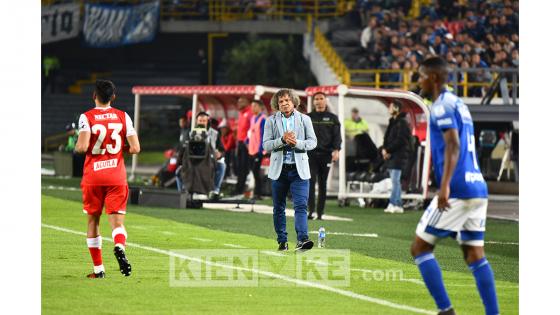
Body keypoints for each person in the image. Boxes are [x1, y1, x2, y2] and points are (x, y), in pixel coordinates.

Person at [410, 57, 498, 315]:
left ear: (433, 78)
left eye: (421, 76)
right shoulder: (459, 104)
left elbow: (453, 144)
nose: (419, 81)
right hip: (477, 187)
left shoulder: (440, 106)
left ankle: (445, 311)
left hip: (458, 189)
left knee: (420, 247)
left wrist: (444, 186)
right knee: (474, 254)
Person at [74, 80, 141, 278]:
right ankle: (119, 245)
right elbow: (136, 148)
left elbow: (82, 147)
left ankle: (98, 270)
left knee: (93, 221)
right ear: (113, 97)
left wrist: (79, 144)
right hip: (116, 176)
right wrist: (119, 148)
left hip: (94, 176)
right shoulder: (123, 116)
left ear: (94, 95)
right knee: (117, 223)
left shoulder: (87, 117)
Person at [263, 89, 317, 252]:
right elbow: (266, 145)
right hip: (279, 171)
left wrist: (296, 143)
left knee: (301, 205)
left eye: (287, 100)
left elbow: (312, 142)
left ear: (293, 102)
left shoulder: (305, 119)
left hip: (299, 171)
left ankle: (303, 239)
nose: (284, 103)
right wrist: (281, 140)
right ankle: (282, 241)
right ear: (277, 105)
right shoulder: (270, 121)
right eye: (281, 101)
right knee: (278, 207)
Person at [307, 92, 341, 220]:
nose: (318, 101)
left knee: (323, 183)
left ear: (325, 101)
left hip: (326, 155)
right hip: (311, 154)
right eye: (316, 99)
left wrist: (337, 150)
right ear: (313, 101)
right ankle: (311, 211)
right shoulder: (308, 117)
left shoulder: (333, 118)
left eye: (321, 99)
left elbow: (337, 136)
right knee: (310, 182)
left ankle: (320, 213)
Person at [179, 112, 226, 199]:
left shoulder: (215, 133)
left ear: (207, 121)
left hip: (209, 161)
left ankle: (215, 191)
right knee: (178, 171)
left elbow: (222, 150)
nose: (202, 122)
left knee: (222, 166)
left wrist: (220, 154)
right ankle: (182, 193)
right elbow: (182, 149)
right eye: (200, 120)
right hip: (192, 161)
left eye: (204, 121)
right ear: (196, 121)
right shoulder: (190, 133)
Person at [380, 100, 411, 214]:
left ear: (396, 109)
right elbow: (387, 137)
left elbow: (401, 140)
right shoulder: (393, 122)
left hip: (399, 155)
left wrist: (388, 150)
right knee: (394, 181)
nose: (389, 109)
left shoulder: (402, 123)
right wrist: (384, 149)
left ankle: (394, 203)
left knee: (395, 181)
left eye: (391, 107)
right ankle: (397, 204)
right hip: (392, 155)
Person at [247, 100, 267, 199]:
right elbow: (251, 131)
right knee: (253, 171)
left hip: (258, 151)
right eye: (252, 106)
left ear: (260, 107)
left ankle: (258, 193)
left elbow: (264, 134)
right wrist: (247, 141)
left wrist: (261, 149)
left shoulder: (263, 119)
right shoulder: (253, 118)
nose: (252, 108)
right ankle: (256, 192)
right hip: (251, 149)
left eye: (255, 106)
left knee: (256, 171)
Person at [234, 97, 252, 195]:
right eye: (238, 101)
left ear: (247, 102)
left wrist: (247, 142)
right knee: (239, 167)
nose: (238, 103)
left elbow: (251, 129)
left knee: (244, 167)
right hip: (240, 143)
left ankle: (240, 189)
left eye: (241, 101)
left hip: (246, 144)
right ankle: (238, 188)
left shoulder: (249, 113)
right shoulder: (241, 113)